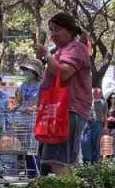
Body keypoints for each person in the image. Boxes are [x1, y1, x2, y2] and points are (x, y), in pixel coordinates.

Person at [35, 12, 92, 176]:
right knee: (62, 163)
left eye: (57, 29)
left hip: (67, 111)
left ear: (70, 30)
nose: (53, 34)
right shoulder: (62, 51)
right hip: (59, 111)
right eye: (51, 30)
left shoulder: (76, 49)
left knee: (58, 163)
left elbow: (64, 73)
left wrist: (47, 56)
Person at [13, 59, 43, 176]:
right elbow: (18, 101)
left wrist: (34, 108)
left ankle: (36, 171)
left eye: (28, 70)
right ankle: (29, 171)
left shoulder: (41, 86)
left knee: (33, 147)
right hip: (22, 119)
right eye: (25, 70)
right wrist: (13, 107)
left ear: (35, 72)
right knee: (25, 147)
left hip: (34, 118)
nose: (26, 72)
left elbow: (43, 103)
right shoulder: (23, 85)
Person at [82, 88, 106, 164]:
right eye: (94, 93)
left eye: (97, 93)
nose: (95, 95)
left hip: (98, 124)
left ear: (100, 94)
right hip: (88, 124)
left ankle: (96, 161)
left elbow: (105, 115)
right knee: (86, 142)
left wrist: (105, 126)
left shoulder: (103, 103)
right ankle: (87, 160)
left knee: (97, 143)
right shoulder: (88, 102)